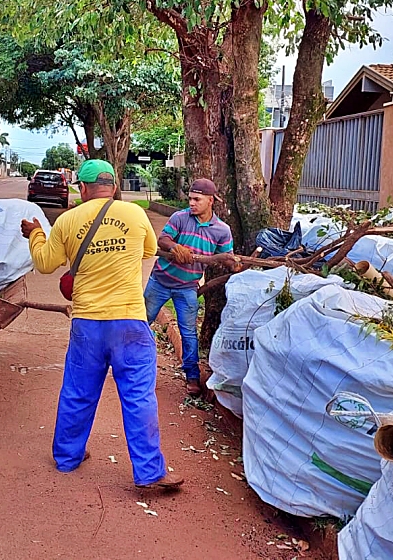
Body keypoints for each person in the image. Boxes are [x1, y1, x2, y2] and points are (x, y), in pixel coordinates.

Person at [21, 159, 183, 490]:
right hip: (130, 324)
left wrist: (36, 233)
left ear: (81, 188)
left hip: (88, 324)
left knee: (78, 392)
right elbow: (149, 250)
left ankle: (68, 458)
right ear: (113, 187)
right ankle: (150, 473)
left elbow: (44, 263)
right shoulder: (135, 215)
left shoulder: (67, 221)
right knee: (138, 396)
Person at [144, 179, 234, 396]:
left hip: (187, 287)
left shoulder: (222, 230)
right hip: (160, 281)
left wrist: (234, 263)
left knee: (188, 333)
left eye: (197, 199)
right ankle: (131, 366)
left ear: (210, 201)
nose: (191, 203)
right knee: (140, 323)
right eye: (190, 199)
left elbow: (226, 257)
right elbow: (162, 239)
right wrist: (175, 247)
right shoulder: (180, 217)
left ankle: (192, 377)